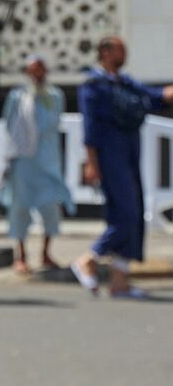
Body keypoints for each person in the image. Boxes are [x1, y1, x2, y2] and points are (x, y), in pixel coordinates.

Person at [72, 36, 173, 298]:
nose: (125, 53)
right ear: (105, 52)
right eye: (120, 49)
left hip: (129, 155)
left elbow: (158, 97)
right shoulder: (94, 86)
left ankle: (119, 281)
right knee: (124, 215)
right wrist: (92, 164)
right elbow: (90, 129)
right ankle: (89, 260)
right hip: (109, 158)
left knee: (134, 213)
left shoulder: (126, 83)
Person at [0, 55, 73, 274]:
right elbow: (9, 125)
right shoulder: (16, 96)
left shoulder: (55, 96)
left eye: (40, 69)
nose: (37, 74)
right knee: (20, 208)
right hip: (24, 163)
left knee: (51, 207)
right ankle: (20, 255)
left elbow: (53, 123)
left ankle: (46, 253)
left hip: (48, 161)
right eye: (33, 70)